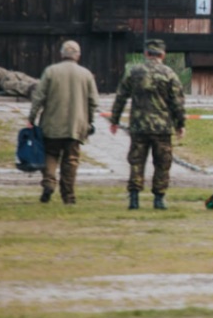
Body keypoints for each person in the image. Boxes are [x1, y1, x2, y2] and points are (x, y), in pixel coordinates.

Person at [110, 38, 186, 211]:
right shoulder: (169, 74)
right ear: (163, 54)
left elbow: (121, 96)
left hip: (139, 126)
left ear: (146, 53)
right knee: (162, 163)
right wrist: (180, 123)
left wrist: (115, 120)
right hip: (162, 127)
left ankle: (134, 198)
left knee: (136, 161)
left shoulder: (134, 72)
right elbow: (177, 102)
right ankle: (159, 199)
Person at [28, 40, 99, 205]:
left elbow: (38, 97)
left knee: (50, 154)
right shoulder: (86, 74)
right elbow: (93, 101)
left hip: (52, 124)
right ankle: (68, 196)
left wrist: (31, 118)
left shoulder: (51, 71)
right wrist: (90, 122)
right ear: (78, 56)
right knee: (71, 160)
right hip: (76, 125)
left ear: (61, 54)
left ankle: (49, 183)